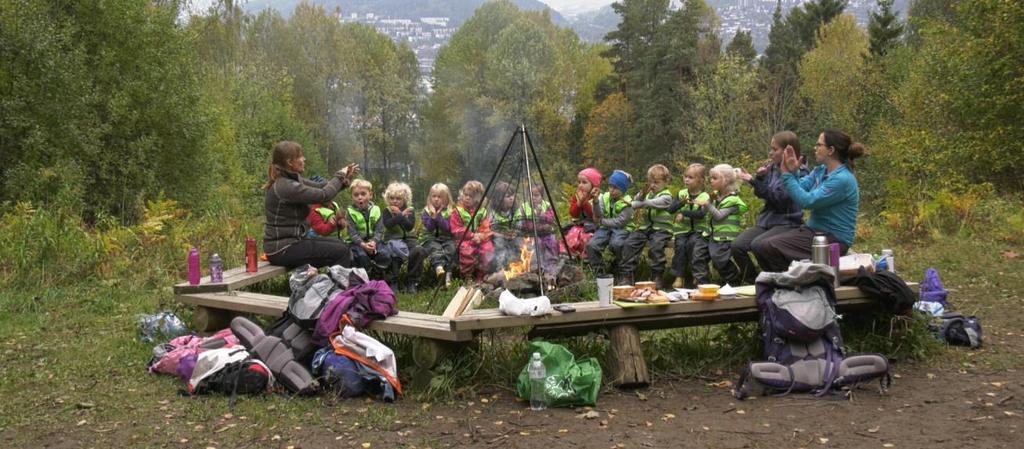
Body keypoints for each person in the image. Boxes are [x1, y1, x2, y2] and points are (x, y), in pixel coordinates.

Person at [752, 129, 865, 272]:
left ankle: (792, 283)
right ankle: (781, 283)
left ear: (831, 150)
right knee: (759, 245)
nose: (815, 148)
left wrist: (787, 174)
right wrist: (793, 172)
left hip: (833, 238)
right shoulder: (821, 170)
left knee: (767, 247)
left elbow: (807, 201)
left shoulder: (842, 179)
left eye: (819, 145)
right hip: (814, 231)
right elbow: (800, 187)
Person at [263, 141, 357, 268]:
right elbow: (324, 195)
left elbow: (321, 187)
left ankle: (330, 284)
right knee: (341, 251)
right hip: (283, 249)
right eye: (300, 156)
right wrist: (339, 175)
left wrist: (344, 181)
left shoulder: (291, 181)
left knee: (342, 246)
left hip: (291, 244)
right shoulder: (286, 186)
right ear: (290, 162)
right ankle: (336, 287)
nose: (304, 159)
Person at [732, 131, 808, 284]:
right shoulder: (772, 168)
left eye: (775, 149)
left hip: (787, 221)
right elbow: (764, 194)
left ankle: (778, 279)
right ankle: (753, 281)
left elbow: (780, 199)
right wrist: (760, 178)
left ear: (788, 150)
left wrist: (754, 181)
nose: (770, 152)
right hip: (767, 221)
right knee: (737, 246)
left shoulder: (800, 171)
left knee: (758, 245)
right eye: (771, 148)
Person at [691, 164, 748, 287]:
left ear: (725, 181)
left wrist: (707, 204)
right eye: (711, 178)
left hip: (723, 237)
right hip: (709, 234)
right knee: (698, 256)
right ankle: (703, 285)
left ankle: (735, 282)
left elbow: (719, 216)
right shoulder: (715, 196)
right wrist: (706, 204)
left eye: (714, 178)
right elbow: (705, 212)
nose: (711, 180)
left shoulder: (732, 200)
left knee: (720, 261)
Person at [619, 164, 674, 288]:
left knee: (656, 246)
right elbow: (639, 198)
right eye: (650, 182)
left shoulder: (666, 197)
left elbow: (649, 204)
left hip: (661, 229)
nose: (652, 185)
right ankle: (627, 275)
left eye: (656, 182)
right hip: (645, 228)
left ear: (665, 182)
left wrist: (635, 203)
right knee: (630, 243)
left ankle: (657, 276)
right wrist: (642, 194)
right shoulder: (647, 194)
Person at [668, 164, 710, 289]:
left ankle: (697, 275)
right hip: (682, 231)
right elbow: (670, 209)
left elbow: (701, 214)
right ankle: (679, 276)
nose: (686, 179)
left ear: (701, 180)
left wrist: (683, 213)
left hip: (698, 231)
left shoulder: (705, 197)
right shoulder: (682, 194)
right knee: (680, 247)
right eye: (685, 176)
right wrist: (681, 203)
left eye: (690, 177)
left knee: (693, 245)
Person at [586, 170, 634, 278]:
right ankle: (599, 273)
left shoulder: (628, 202)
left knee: (617, 244)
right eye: (610, 186)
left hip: (622, 228)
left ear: (623, 189)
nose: (611, 190)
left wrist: (602, 221)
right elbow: (598, 214)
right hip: (605, 228)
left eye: (615, 188)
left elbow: (621, 221)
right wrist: (595, 201)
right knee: (592, 245)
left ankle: (622, 271)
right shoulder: (604, 197)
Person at [381, 182, 426, 293]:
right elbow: (388, 224)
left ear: (405, 199)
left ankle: (412, 281)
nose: (395, 201)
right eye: (392, 198)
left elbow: (409, 226)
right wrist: (401, 216)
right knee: (392, 251)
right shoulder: (386, 211)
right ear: (388, 199)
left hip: (410, 240)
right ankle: (393, 281)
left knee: (418, 251)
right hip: (393, 240)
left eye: (398, 198)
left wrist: (401, 215)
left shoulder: (410, 210)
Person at [344, 179, 390, 277]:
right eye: (356, 195)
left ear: (370, 195)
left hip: (373, 241)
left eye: (363, 194)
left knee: (384, 253)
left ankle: (380, 276)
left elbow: (379, 230)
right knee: (361, 256)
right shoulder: (350, 212)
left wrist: (374, 242)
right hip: (357, 243)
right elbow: (353, 234)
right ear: (352, 197)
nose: (359, 197)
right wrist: (363, 245)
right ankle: (364, 279)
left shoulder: (376, 210)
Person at [451, 180, 494, 282]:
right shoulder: (458, 211)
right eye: (465, 194)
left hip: (480, 238)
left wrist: (481, 236)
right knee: (467, 251)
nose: (467, 198)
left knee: (488, 249)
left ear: (478, 198)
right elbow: (456, 229)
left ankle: (481, 275)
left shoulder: (482, 211)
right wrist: (471, 235)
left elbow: (486, 227)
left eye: (471, 196)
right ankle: (467, 276)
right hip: (464, 238)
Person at [516, 184, 559, 274]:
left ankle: (551, 265)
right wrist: (534, 225)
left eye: (536, 195)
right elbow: (523, 223)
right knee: (536, 245)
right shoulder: (524, 207)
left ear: (542, 196)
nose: (533, 198)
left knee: (552, 242)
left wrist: (542, 215)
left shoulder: (546, 205)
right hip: (532, 234)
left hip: (546, 233)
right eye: (531, 195)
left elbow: (552, 218)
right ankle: (538, 267)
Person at [421, 183, 456, 286]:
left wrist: (439, 217)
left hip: (446, 238)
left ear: (446, 198)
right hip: (430, 238)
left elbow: (448, 228)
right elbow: (429, 227)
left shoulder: (450, 211)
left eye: (440, 197)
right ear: (430, 197)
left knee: (452, 249)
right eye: (434, 196)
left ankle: (448, 273)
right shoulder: (426, 211)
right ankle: (439, 268)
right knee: (434, 248)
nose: (436, 199)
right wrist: (433, 217)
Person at [563, 168, 602, 258]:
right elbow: (573, 213)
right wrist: (578, 203)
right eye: (579, 182)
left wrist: (584, 203)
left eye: (584, 182)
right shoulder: (577, 196)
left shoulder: (598, 198)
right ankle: (571, 253)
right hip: (579, 225)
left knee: (586, 238)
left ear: (594, 185)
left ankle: (585, 256)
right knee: (572, 235)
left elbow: (594, 215)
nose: (580, 185)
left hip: (593, 226)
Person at [489, 181, 520, 271]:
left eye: (512, 195)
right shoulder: (493, 213)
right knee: (500, 244)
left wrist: (515, 233)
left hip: (513, 235)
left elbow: (519, 224)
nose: (511, 199)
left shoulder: (516, 210)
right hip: (499, 236)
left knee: (519, 243)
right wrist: (502, 235)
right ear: (499, 199)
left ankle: (517, 266)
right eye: (508, 197)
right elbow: (490, 229)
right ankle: (500, 269)